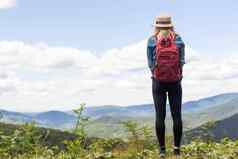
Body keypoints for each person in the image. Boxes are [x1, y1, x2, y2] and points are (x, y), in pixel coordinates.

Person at [146, 15, 185, 157]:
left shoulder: (152, 40)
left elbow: (150, 64)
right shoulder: (178, 39)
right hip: (175, 82)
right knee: (177, 116)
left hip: (158, 83)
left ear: (156, 25)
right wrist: (177, 75)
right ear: (171, 25)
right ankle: (176, 150)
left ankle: (162, 150)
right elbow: (181, 61)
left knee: (159, 116)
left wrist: (157, 74)